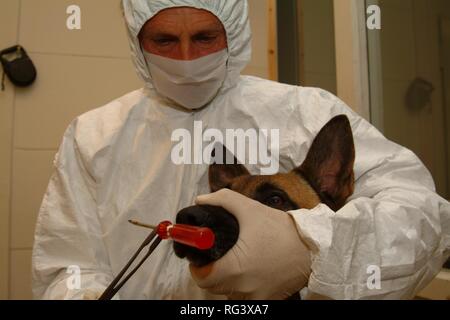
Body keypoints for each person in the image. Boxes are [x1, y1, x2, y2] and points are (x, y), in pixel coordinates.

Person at [32, 0, 450, 300]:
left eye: (204, 37)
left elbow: (422, 213)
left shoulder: (307, 110)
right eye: (163, 40)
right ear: (136, 40)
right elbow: (66, 268)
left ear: (232, 31)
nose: (186, 58)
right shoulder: (92, 136)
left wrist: (314, 247)